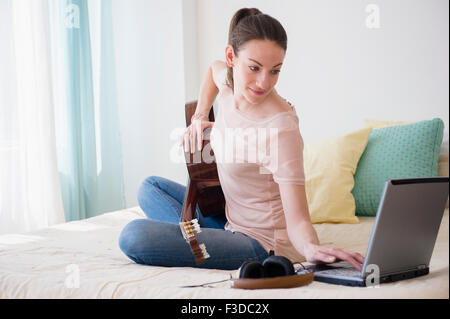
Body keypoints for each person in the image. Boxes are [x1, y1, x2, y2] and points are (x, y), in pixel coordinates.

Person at [119, 8, 365, 271]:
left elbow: (299, 220)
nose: (263, 82)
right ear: (231, 57)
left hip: (261, 245)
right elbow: (212, 72)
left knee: (134, 236)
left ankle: (197, 242)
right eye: (254, 68)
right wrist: (200, 116)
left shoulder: (281, 128)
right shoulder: (228, 86)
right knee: (150, 188)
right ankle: (201, 240)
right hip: (229, 224)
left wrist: (309, 248)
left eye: (275, 71)